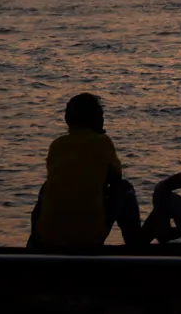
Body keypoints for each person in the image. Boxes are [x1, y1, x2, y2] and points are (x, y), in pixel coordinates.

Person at [29, 92, 140, 249]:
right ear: (95, 119)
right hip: (87, 240)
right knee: (125, 190)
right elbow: (115, 178)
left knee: (46, 188)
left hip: (46, 239)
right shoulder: (103, 143)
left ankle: (33, 246)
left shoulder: (57, 145)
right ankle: (135, 247)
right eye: (101, 115)